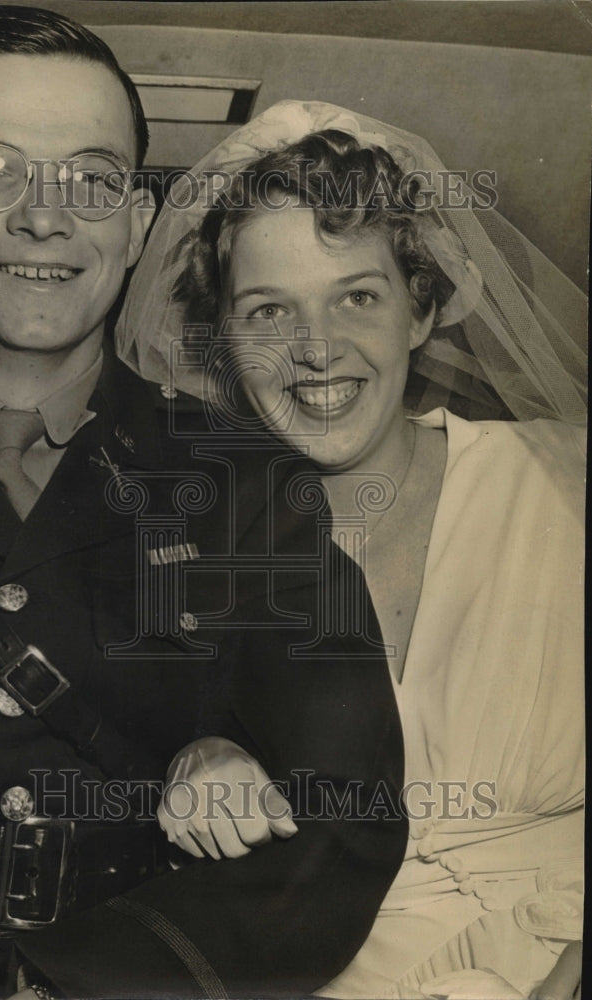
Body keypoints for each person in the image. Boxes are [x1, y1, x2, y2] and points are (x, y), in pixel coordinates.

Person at [0, 14, 407, 997]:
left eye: (93, 179)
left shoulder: (243, 483)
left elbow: (345, 813)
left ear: (137, 224)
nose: (44, 218)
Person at [114, 102, 585, 997]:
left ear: (420, 309)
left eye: (357, 297)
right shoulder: (187, 551)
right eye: (267, 311)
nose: (316, 350)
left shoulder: (567, 482)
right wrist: (192, 757)